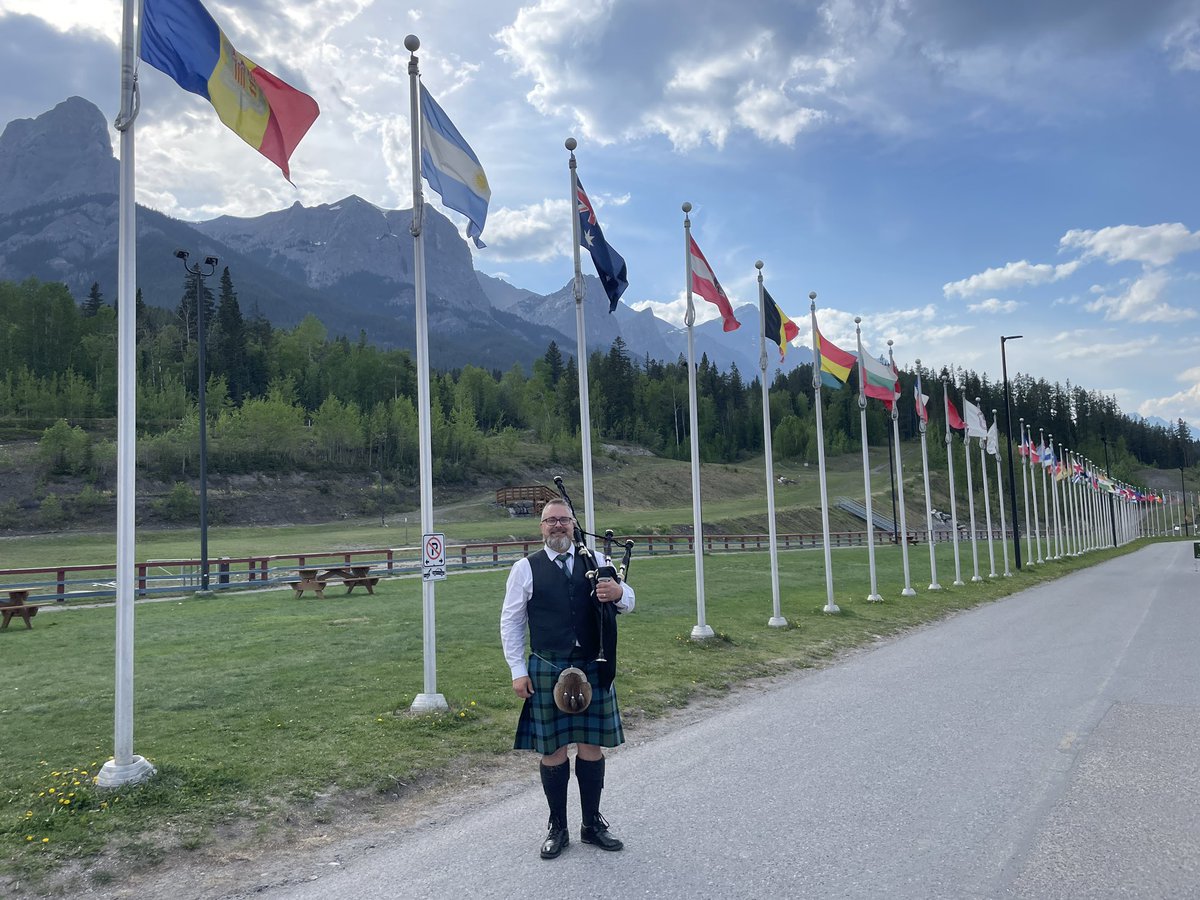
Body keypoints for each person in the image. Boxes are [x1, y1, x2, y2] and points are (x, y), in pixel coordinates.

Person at [500, 498, 635, 860]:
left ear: (573, 525)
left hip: (594, 663)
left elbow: (628, 600)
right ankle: (557, 827)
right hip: (547, 665)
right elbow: (511, 622)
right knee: (553, 750)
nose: (557, 526)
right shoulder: (524, 568)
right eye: (550, 521)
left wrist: (619, 593)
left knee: (592, 747)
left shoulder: (597, 561)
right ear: (541, 527)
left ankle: (591, 824)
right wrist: (518, 670)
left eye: (563, 520)